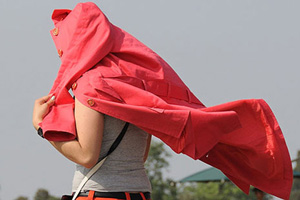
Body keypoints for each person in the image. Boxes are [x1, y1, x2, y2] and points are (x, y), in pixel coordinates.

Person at [33, 2, 292, 199]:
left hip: (102, 193)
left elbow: (87, 155)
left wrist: (42, 127)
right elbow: (142, 154)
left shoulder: (89, 84)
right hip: (140, 192)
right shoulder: (133, 80)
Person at [33, 95, 152, 200]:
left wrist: (40, 125)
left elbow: (86, 157)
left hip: (98, 193)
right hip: (141, 193)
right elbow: (140, 156)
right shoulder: (144, 88)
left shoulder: (91, 86)